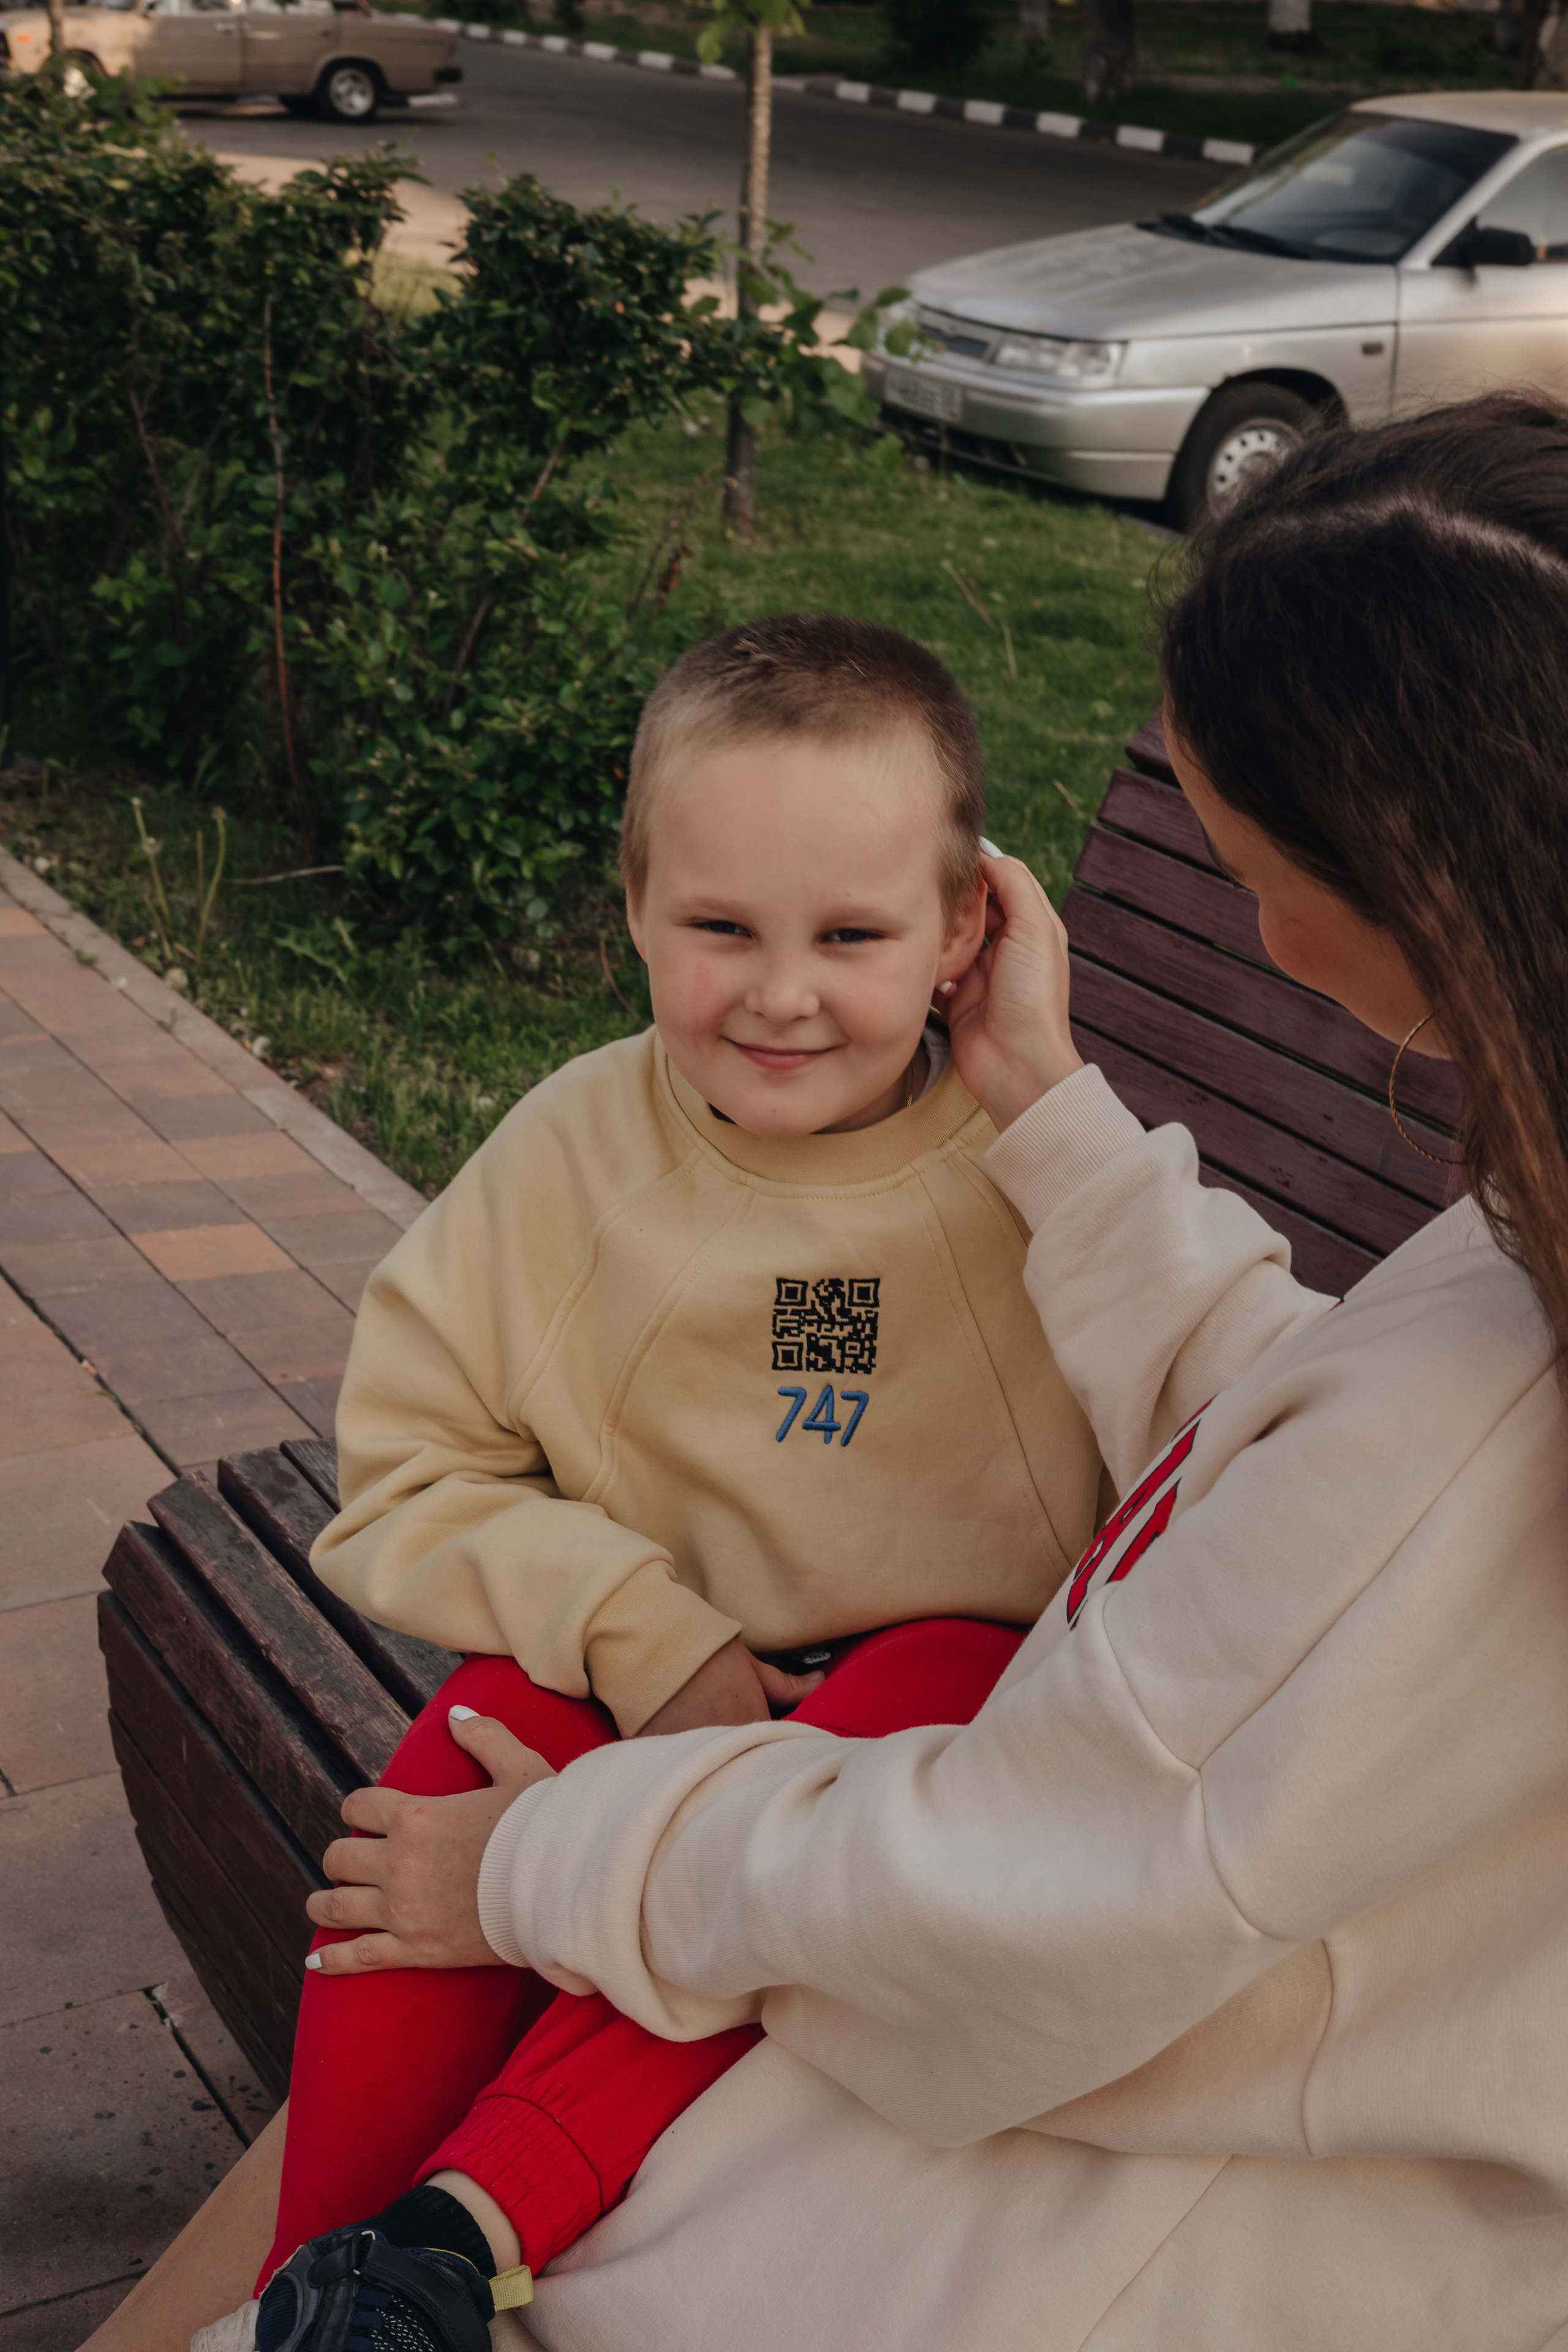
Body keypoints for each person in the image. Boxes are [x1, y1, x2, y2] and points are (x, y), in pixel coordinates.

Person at [195, 390, 1568, 2352]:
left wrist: (545, 1865)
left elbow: (1028, 1887)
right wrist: (1051, 1109)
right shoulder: (1506, 1285)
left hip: (1056, 2200)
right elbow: (1321, 1446)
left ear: (1422, 887)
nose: (1243, 914)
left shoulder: (1483, 1405)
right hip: (965, 1916)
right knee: (466, 1778)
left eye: (1242, 855)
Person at [249, 616, 1109, 2313]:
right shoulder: (580, 1149)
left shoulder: (1049, 1176)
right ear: (637, 902)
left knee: (920, 1695)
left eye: (851, 934)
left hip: (921, 1742)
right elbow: (409, 1464)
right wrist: (649, 1638)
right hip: (644, 1681)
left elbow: (1192, 1470)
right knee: (474, 1741)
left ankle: (466, 2225)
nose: (781, 994)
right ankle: (312, 2294)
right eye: (721, 927)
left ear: (963, 930)